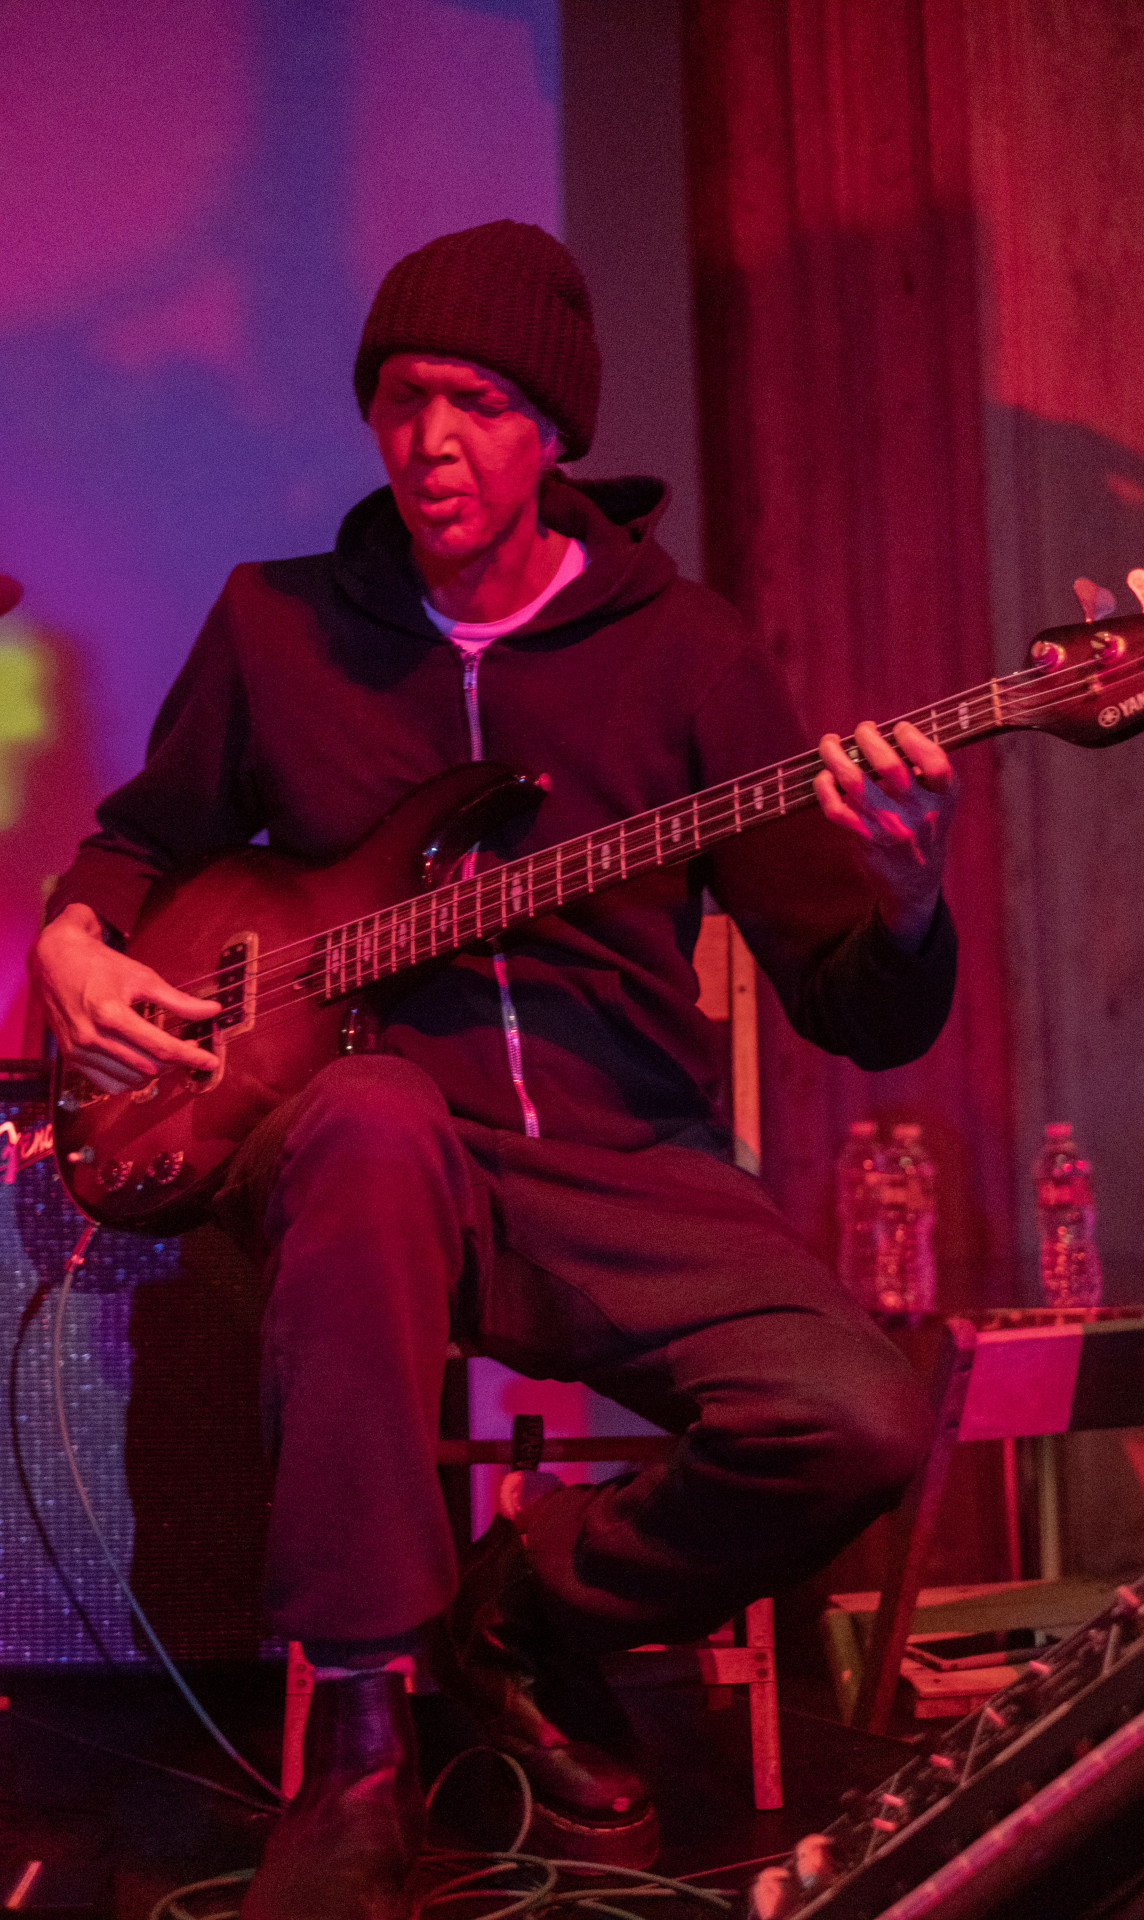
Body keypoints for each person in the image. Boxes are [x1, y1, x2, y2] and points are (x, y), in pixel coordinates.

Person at [30, 221, 958, 1920]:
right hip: (381, 1159)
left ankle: (519, 1614)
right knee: (373, 1121)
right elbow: (138, 843)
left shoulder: (684, 654)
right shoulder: (279, 626)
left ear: (556, 430)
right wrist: (71, 945)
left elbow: (855, 1002)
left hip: (628, 1160)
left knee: (863, 1418)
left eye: (478, 400)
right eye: (400, 397)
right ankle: (359, 1751)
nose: (432, 439)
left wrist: (901, 899)